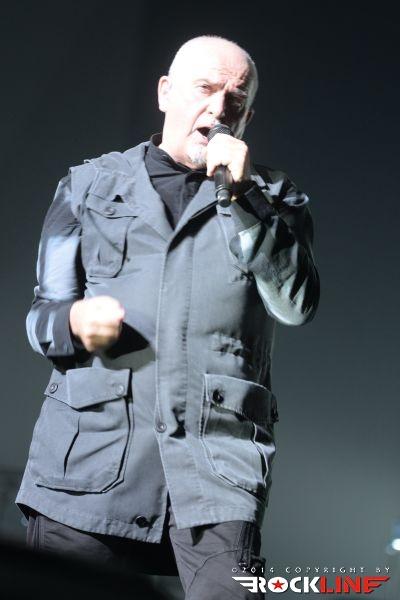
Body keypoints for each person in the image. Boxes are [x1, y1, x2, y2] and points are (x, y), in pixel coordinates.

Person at [15, 35, 319, 598]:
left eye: (236, 98)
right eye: (205, 88)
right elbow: (41, 318)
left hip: (218, 468)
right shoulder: (86, 186)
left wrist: (243, 198)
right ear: (165, 93)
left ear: (247, 116)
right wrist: (74, 324)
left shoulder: (275, 198)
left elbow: (295, 303)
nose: (219, 107)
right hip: (88, 460)